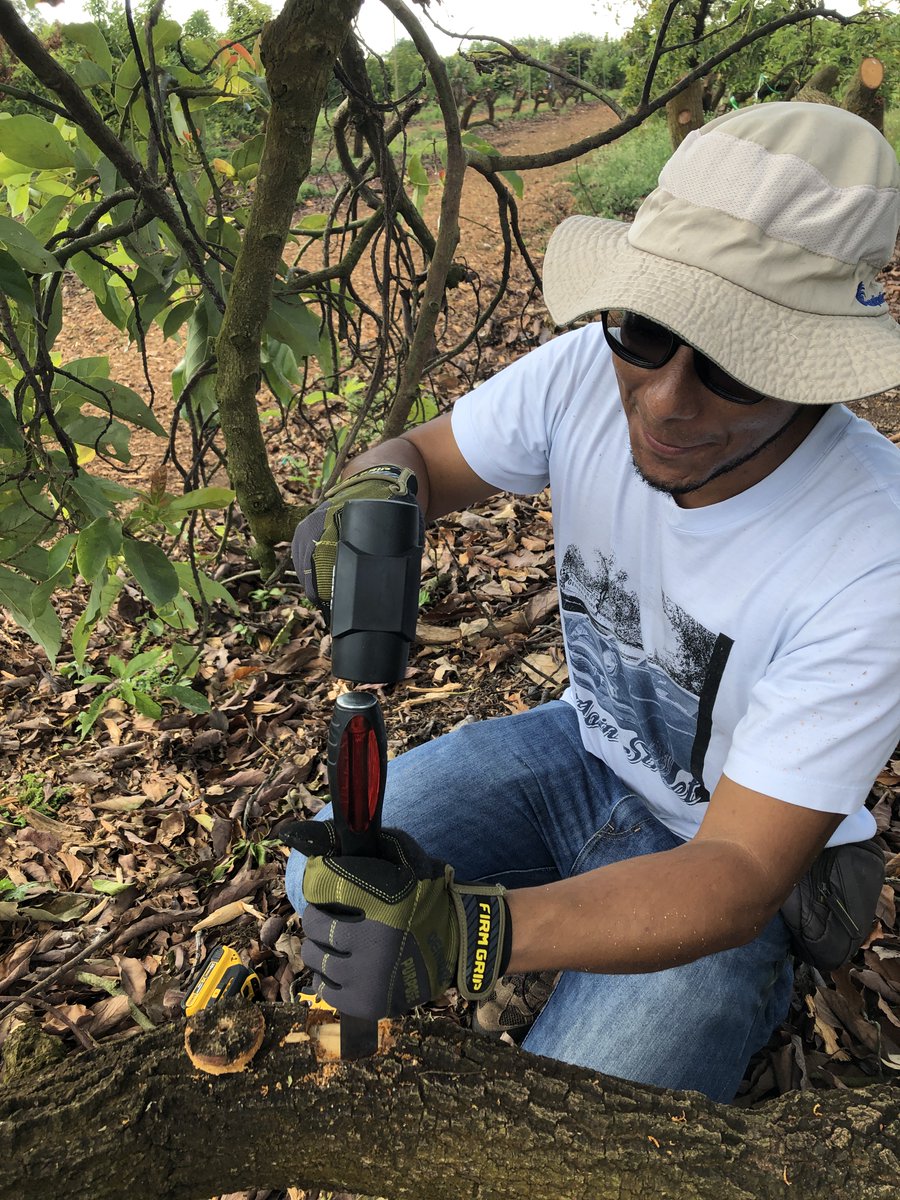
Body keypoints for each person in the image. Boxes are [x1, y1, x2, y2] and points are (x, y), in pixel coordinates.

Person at [283, 102, 900, 1102]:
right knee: (318, 881)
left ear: (818, 375)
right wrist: (374, 497)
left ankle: (740, 973)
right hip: (587, 751)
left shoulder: (874, 554)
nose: (663, 400)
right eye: (646, 327)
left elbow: (738, 868)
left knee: (568, 1112)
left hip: (734, 855)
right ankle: (581, 928)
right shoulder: (582, 374)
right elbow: (426, 459)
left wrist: (473, 935)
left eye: (740, 361)